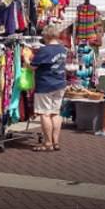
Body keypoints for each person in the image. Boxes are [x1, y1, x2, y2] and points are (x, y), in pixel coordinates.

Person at [25, 24, 67, 152]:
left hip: (45, 84)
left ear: (47, 36)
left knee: (45, 113)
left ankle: (47, 142)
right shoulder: (62, 49)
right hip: (60, 84)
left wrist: (26, 59)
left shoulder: (44, 50)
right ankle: (55, 142)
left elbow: (32, 67)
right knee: (55, 113)